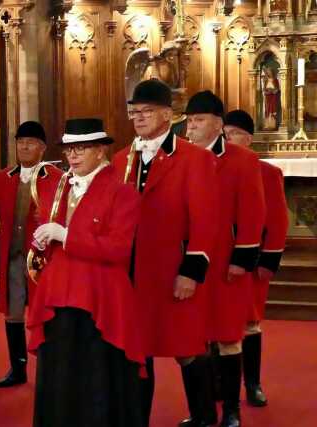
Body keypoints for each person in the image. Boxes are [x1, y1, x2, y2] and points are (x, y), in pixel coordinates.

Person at [111, 79, 218, 427]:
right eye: (135, 112)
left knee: (187, 348)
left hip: (173, 270)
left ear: (167, 115)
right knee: (136, 350)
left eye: (147, 112)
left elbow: (205, 220)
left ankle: (204, 418)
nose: (139, 118)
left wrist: (192, 270)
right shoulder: (120, 159)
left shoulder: (193, 158)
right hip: (130, 274)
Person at [28, 118, 144, 427]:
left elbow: (119, 249)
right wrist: (42, 237)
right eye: (69, 150)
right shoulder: (58, 186)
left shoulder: (123, 193)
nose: (73, 156)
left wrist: (65, 236)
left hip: (100, 298)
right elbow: (49, 233)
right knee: (61, 374)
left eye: (81, 149)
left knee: (96, 377)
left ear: (101, 151)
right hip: (59, 295)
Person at [186, 92, 266, 427]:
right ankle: (201, 412)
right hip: (189, 264)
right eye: (188, 121)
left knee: (228, 336)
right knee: (192, 338)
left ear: (218, 124)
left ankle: (231, 410)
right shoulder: (180, 157)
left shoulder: (241, 160)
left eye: (199, 120)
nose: (190, 127)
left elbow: (253, 213)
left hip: (225, 264)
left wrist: (242, 259)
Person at [0, 121, 62, 388]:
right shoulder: (3, 178)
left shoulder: (56, 178)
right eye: (20, 142)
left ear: (42, 147)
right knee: (14, 313)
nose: (24, 146)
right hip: (13, 256)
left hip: (44, 260)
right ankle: (17, 369)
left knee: (45, 313)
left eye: (30, 142)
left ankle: (50, 370)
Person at [224, 109, 288, 408]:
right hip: (220, 262)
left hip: (252, 263)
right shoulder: (211, 167)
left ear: (248, 139)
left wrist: (268, 260)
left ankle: (252, 384)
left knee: (249, 324)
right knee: (218, 325)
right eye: (224, 134)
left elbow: (277, 221)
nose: (227, 139)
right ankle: (222, 388)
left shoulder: (267, 172)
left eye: (232, 134)